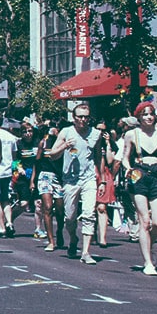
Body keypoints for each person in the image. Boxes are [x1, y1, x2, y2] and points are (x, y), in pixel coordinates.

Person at [118, 102, 157, 275]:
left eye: (151, 114)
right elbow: (125, 158)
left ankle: (149, 245)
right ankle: (148, 262)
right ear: (139, 117)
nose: (148, 117)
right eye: (144, 114)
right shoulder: (131, 134)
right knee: (145, 220)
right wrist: (128, 169)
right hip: (139, 175)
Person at [48, 104, 103, 264]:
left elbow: (99, 157)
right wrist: (65, 146)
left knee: (88, 214)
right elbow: (52, 155)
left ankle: (86, 252)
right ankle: (73, 238)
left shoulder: (96, 134)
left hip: (89, 179)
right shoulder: (66, 132)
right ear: (74, 117)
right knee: (70, 217)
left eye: (86, 117)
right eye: (80, 117)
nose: (83, 120)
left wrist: (102, 180)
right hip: (70, 180)